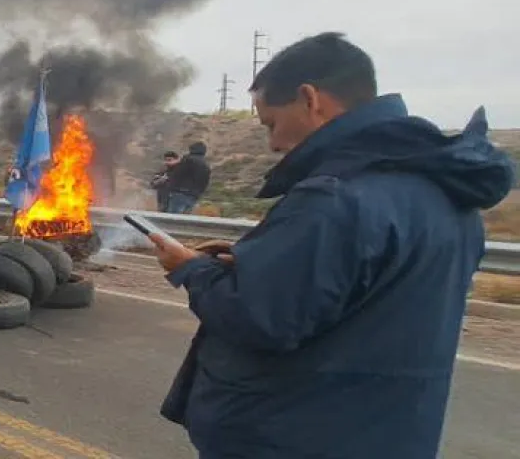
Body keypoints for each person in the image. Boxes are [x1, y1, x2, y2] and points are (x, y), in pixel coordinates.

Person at [148, 32, 515, 459]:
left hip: (292, 436)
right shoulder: (450, 198)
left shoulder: (335, 198)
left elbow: (260, 318)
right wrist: (258, 263)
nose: (273, 144)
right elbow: (359, 294)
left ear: (309, 99)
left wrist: (190, 268)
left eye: (271, 122)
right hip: (391, 434)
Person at [153, 142, 211, 214]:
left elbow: (177, 175)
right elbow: (205, 182)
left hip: (179, 194)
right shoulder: (206, 165)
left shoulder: (187, 160)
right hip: (193, 197)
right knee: (183, 219)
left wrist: (172, 188)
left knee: (172, 219)